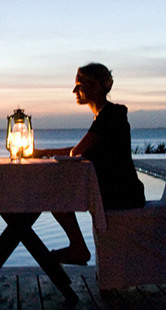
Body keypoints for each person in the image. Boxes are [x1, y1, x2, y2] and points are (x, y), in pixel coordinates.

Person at [30, 62, 145, 265]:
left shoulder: (110, 115)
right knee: (57, 194)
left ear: (96, 87)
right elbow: (80, 149)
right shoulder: (105, 115)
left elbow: (78, 151)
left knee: (56, 195)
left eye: (80, 84)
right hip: (120, 190)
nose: (74, 90)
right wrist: (40, 153)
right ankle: (78, 247)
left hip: (121, 194)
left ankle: (78, 248)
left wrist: (43, 154)